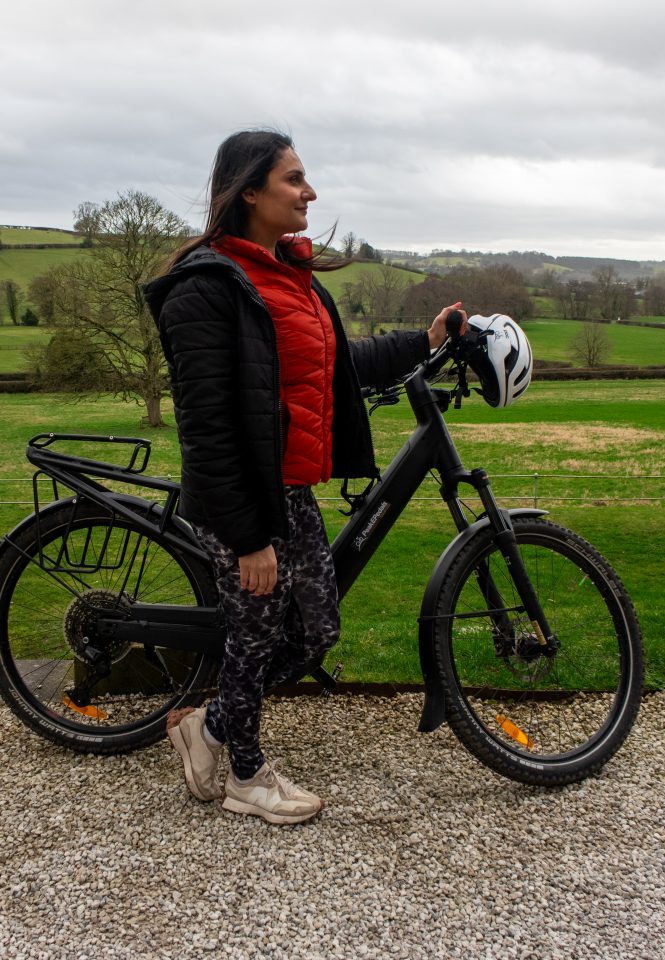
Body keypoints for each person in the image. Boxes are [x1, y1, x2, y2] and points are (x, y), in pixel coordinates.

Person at [144, 130, 458, 825]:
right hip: (245, 501)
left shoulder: (292, 277)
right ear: (249, 191)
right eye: (294, 179)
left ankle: (212, 727)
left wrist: (425, 342)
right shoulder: (206, 286)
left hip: (291, 488)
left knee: (315, 631)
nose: (309, 192)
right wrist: (249, 535)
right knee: (255, 629)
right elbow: (207, 427)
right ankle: (246, 778)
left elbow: (340, 364)